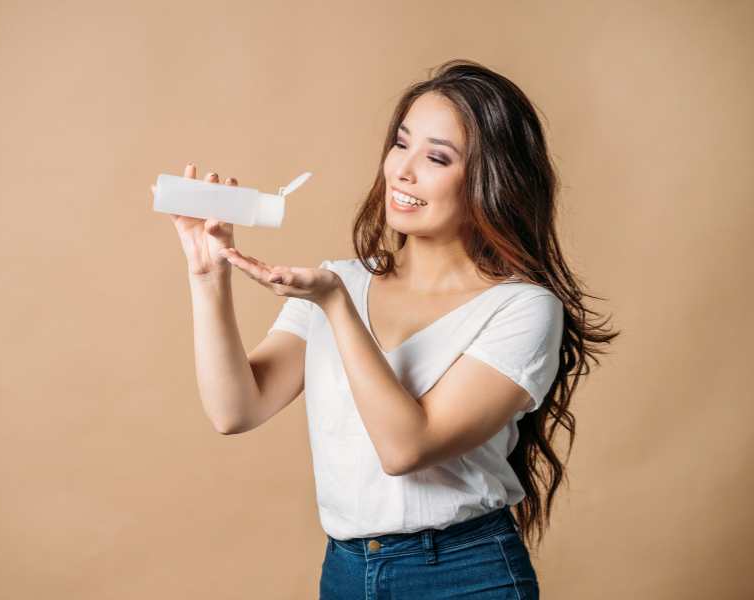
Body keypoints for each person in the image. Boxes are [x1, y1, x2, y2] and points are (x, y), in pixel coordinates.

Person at [154, 59, 620, 599]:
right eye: (401, 144)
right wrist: (208, 273)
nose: (402, 170)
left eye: (437, 157)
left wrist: (336, 305)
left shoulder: (521, 309)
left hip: (464, 576)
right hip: (348, 571)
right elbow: (235, 410)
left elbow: (405, 449)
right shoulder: (339, 280)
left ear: (491, 180)